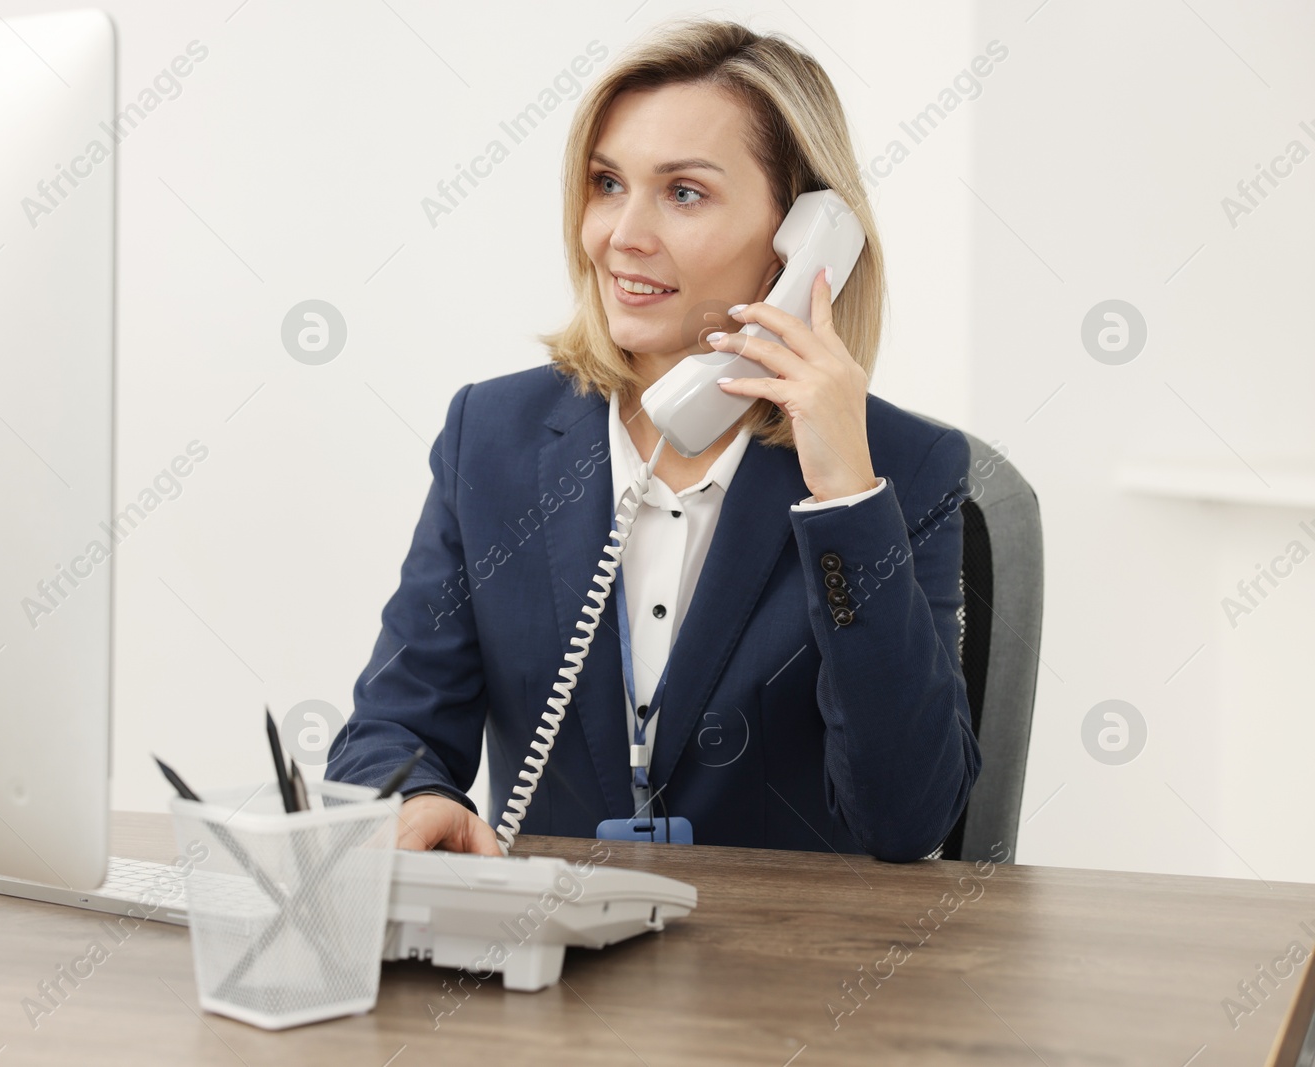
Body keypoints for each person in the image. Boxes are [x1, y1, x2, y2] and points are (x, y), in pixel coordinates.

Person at [326, 17, 979, 862]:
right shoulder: (491, 439)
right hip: (551, 968)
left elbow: (908, 818)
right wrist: (413, 797)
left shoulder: (904, 469)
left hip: (787, 978)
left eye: (683, 193)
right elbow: (391, 725)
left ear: (807, 238)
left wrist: (846, 498)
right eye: (606, 183)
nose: (622, 235)